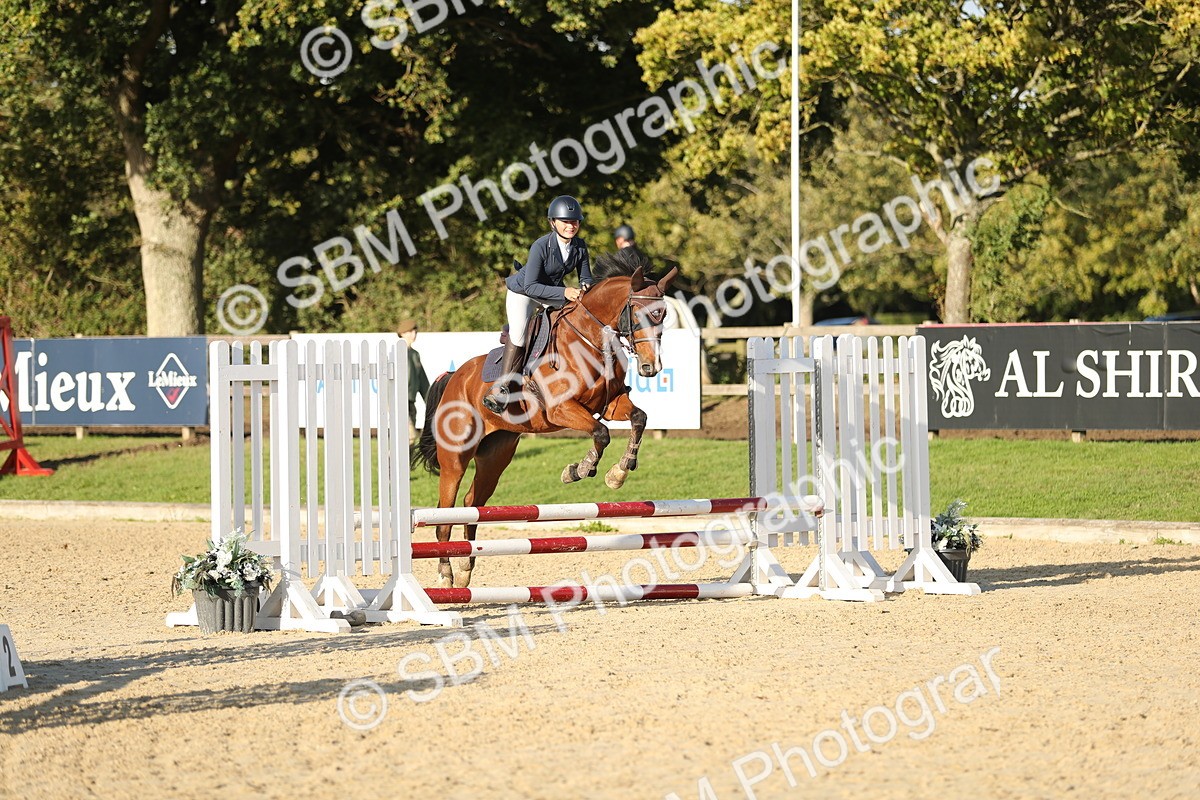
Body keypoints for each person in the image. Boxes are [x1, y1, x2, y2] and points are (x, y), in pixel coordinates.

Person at [483, 195, 594, 414]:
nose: (571, 226)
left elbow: (586, 278)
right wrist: (565, 291)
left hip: (551, 293)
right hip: (523, 293)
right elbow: (532, 286)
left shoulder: (580, 247)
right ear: (553, 223)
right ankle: (502, 388)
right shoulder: (541, 246)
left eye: (574, 222)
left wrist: (586, 287)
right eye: (565, 221)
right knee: (519, 334)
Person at [397, 319, 430, 439]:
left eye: (415, 331)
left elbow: (423, 382)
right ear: (402, 333)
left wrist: (431, 401)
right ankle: (392, 457)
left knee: (408, 441)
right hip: (399, 402)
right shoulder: (396, 353)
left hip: (411, 402)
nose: (413, 334)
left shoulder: (415, 354)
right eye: (410, 331)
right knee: (409, 437)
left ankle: (401, 458)